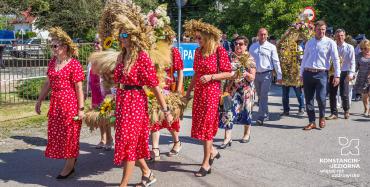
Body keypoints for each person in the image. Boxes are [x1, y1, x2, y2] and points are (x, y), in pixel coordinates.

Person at [101, 2, 173, 186]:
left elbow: (155, 86)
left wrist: (166, 110)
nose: (121, 38)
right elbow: (116, 80)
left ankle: (123, 184)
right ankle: (147, 173)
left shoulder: (142, 58)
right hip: (123, 101)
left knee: (129, 142)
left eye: (124, 35)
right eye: (120, 35)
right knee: (126, 142)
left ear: (132, 37)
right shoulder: (121, 56)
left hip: (136, 102)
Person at [184, 19, 232, 177]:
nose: (197, 41)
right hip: (199, 94)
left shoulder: (219, 51)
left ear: (207, 37)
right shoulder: (198, 52)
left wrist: (212, 77)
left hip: (212, 93)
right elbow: (196, 74)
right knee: (199, 127)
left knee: (206, 128)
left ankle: (206, 164)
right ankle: (212, 151)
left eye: (199, 38)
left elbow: (229, 72)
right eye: (196, 38)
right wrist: (188, 93)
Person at [35, 27, 84, 179]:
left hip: (70, 104)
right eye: (52, 46)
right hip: (56, 104)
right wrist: (39, 100)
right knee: (59, 134)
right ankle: (71, 158)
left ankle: (69, 166)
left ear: (64, 47)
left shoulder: (74, 64)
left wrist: (81, 109)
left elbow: (79, 88)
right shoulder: (52, 63)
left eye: (55, 46)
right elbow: (47, 83)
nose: (53, 49)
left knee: (70, 134)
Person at [148, 6, 184, 161]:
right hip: (156, 89)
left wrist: (179, 91)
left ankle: (177, 142)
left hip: (170, 89)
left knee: (170, 119)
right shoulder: (153, 50)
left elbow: (180, 70)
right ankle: (155, 148)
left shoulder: (173, 51)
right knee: (154, 117)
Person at [300, 20, 340, 130]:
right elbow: (304, 59)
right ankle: (311, 121)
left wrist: (337, 75)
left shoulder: (330, 42)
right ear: (315, 30)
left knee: (321, 98)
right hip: (308, 73)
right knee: (308, 99)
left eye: (323, 29)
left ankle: (321, 117)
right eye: (319, 29)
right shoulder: (309, 42)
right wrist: (301, 74)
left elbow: (336, 59)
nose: (321, 32)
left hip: (322, 74)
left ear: (325, 30)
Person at [219, 36, 256, 148]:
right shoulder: (229, 56)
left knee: (246, 112)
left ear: (246, 46)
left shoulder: (249, 58)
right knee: (227, 112)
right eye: (236, 43)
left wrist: (245, 73)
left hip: (245, 90)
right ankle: (227, 138)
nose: (238, 46)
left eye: (240, 44)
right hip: (229, 89)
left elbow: (252, 77)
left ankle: (246, 133)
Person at [249, 28, 283, 126]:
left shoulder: (271, 47)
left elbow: (276, 61)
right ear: (257, 35)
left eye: (264, 34)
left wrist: (279, 75)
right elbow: (249, 61)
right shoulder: (252, 47)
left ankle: (261, 117)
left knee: (263, 95)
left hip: (267, 74)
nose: (263, 36)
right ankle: (266, 113)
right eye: (261, 34)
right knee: (260, 96)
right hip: (255, 75)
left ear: (267, 35)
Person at [86, 39, 114, 150]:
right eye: (94, 42)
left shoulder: (106, 59)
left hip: (104, 92)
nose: (95, 45)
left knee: (105, 116)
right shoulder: (92, 59)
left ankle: (110, 139)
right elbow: (89, 76)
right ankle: (102, 139)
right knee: (98, 116)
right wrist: (86, 89)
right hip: (95, 92)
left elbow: (109, 77)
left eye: (98, 42)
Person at [326, 29, 356, 120]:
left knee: (344, 93)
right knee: (332, 94)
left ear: (345, 36)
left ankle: (346, 110)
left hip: (344, 71)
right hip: (333, 72)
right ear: (335, 36)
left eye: (342, 35)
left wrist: (351, 73)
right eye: (338, 35)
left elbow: (353, 61)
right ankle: (334, 113)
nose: (340, 37)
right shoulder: (332, 46)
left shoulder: (349, 47)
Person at [354, 39, 370, 117]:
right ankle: (366, 109)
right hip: (362, 78)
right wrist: (352, 74)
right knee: (364, 95)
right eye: (362, 48)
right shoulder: (359, 55)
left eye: (365, 48)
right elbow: (356, 67)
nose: (363, 50)